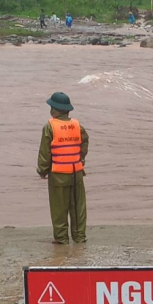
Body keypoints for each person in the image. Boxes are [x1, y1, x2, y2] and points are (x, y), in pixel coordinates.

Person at [37, 92, 88, 245]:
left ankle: (61, 238)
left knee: (59, 208)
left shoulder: (49, 127)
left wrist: (42, 170)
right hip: (76, 173)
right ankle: (79, 237)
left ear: (56, 110)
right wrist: (80, 159)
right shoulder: (78, 126)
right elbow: (84, 144)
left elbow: (45, 152)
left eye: (51, 107)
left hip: (58, 174)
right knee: (78, 207)